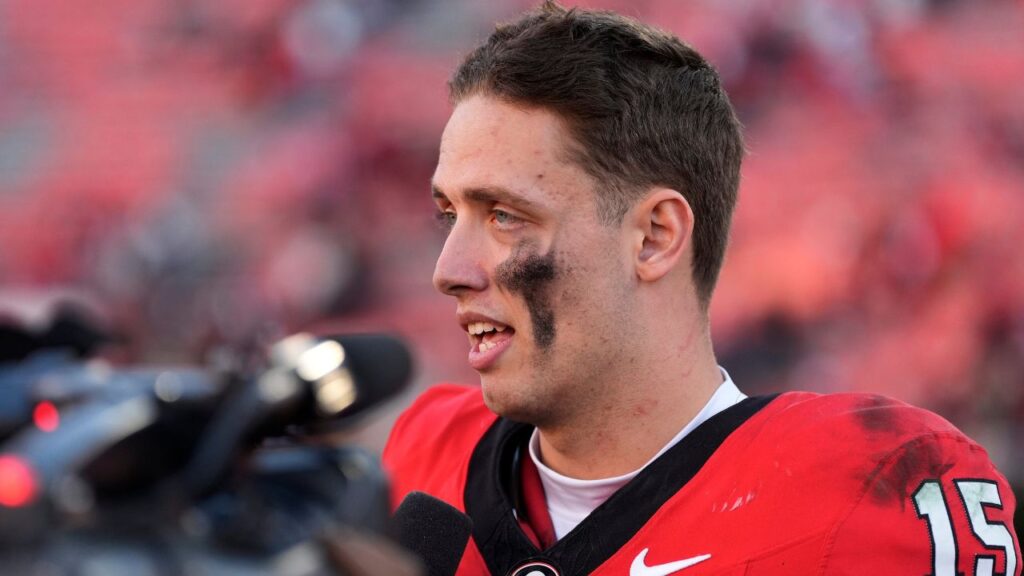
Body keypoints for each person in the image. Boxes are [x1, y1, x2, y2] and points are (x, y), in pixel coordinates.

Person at [382, 2, 1021, 575]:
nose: (448, 269)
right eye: (449, 215)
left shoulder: (867, 489)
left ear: (654, 237)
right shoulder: (422, 455)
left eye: (504, 215)